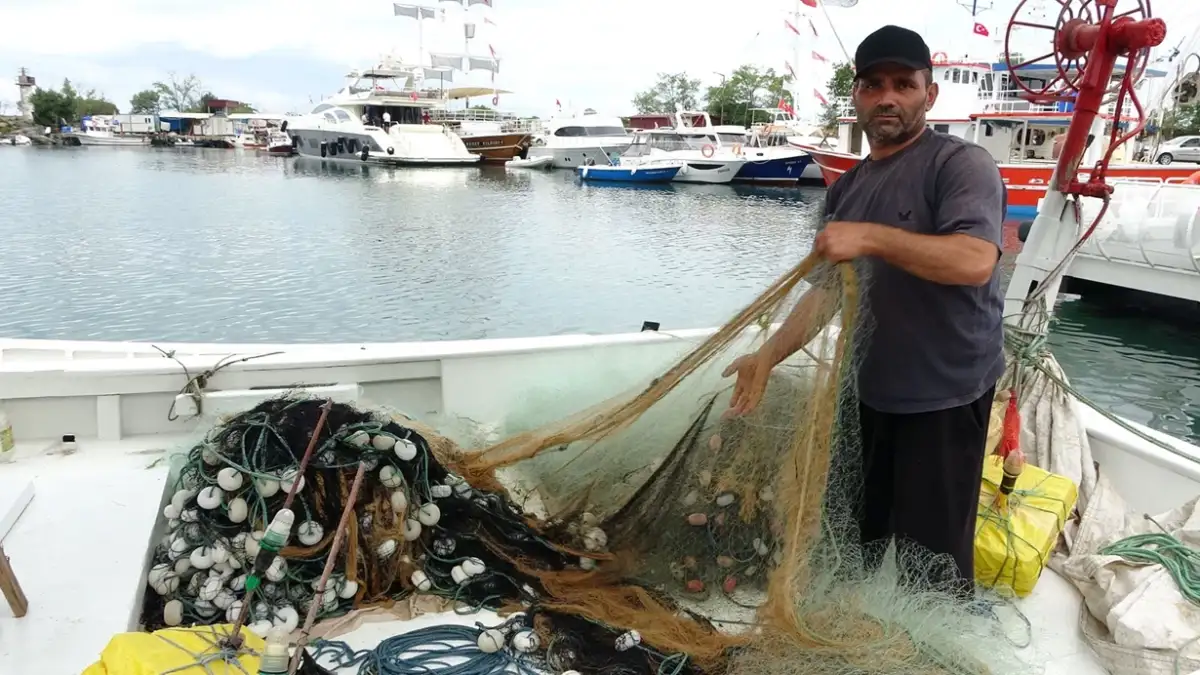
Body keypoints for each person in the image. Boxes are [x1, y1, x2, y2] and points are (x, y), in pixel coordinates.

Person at [723, 25, 1006, 598]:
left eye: (904, 84)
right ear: (856, 96)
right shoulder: (847, 188)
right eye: (874, 85)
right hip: (867, 392)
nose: (888, 97)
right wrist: (768, 355)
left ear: (930, 93)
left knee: (933, 570)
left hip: (944, 397)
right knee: (855, 540)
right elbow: (827, 293)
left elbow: (975, 260)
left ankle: (932, 637)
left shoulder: (961, 165)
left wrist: (872, 239)